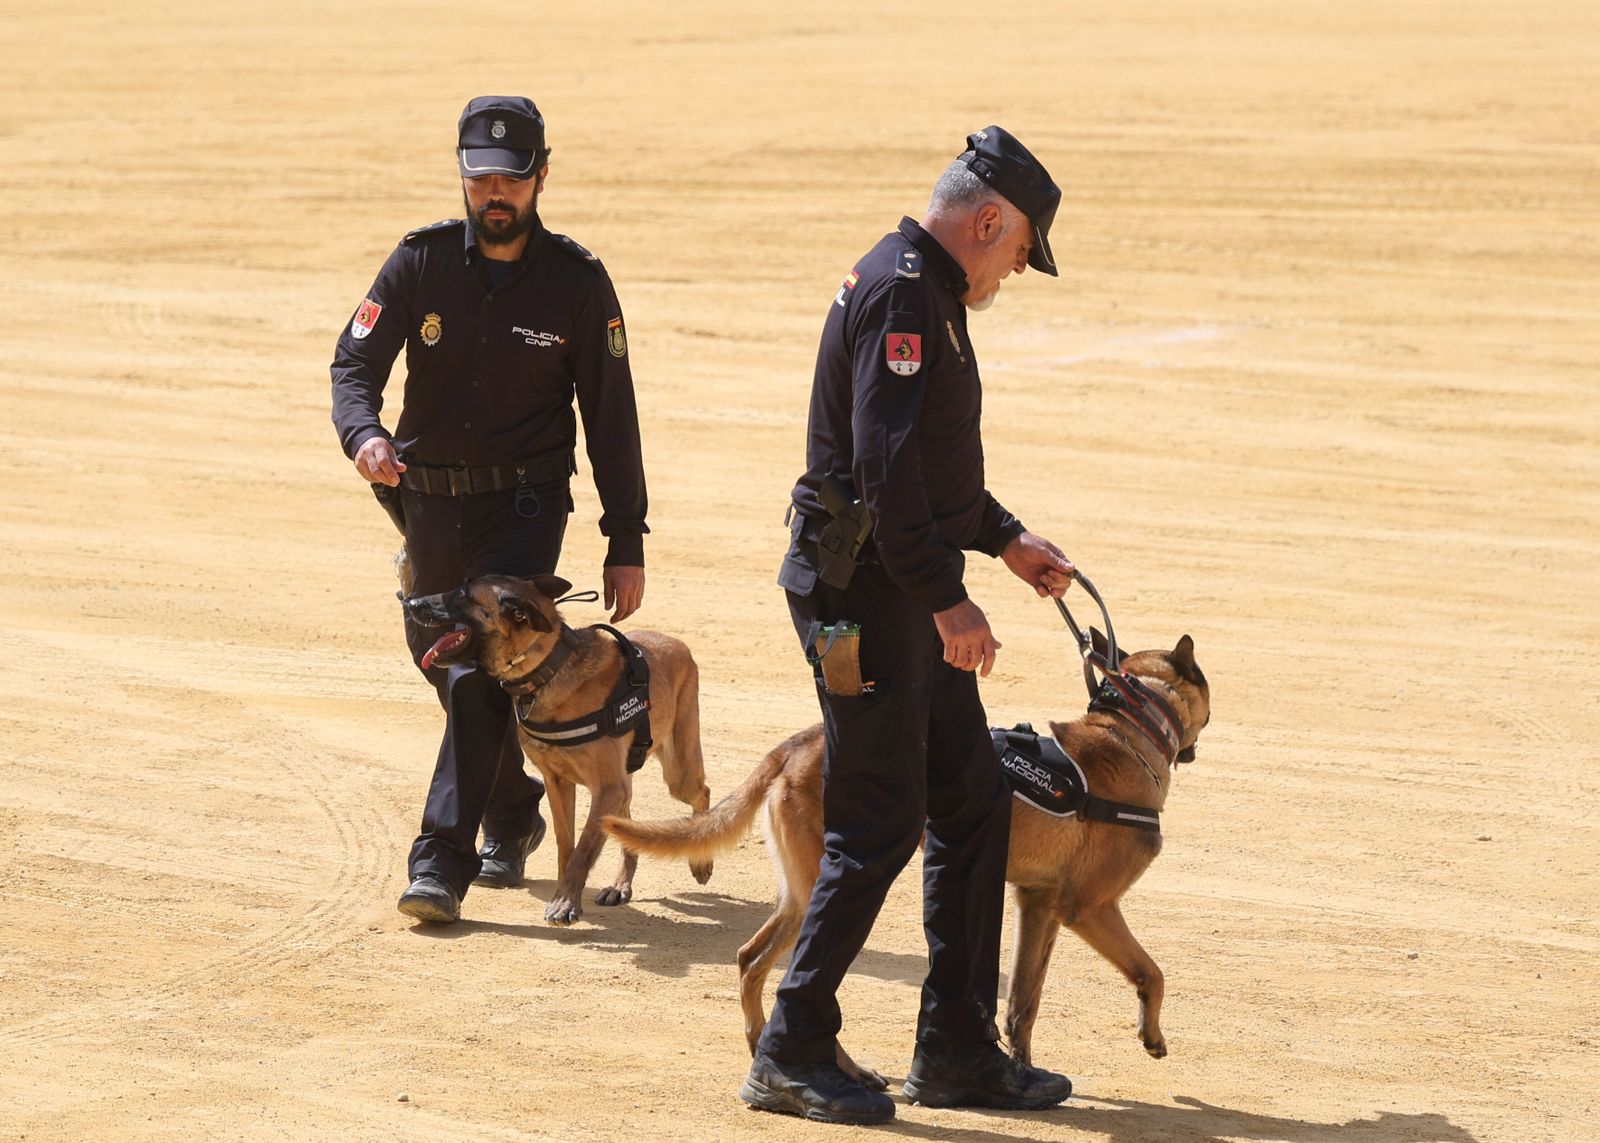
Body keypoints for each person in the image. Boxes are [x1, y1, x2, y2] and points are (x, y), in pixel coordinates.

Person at [738, 127, 1077, 1124]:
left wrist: (1004, 539)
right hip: (862, 601)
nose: (1015, 269)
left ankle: (956, 1047)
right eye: (1018, 250)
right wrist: (947, 599)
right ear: (986, 222)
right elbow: (884, 480)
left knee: (969, 800)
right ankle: (791, 1048)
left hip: (899, 588)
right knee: (878, 820)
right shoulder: (900, 295)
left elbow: (930, 474)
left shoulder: (925, 292)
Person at [330, 96, 648, 925]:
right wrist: (362, 432)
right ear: (463, 177)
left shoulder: (578, 283)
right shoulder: (419, 263)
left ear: (543, 175)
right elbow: (353, 362)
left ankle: (440, 860)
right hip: (427, 502)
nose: (495, 192)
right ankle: (511, 811)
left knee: (476, 669)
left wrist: (625, 537)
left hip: (524, 508)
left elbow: (612, 418)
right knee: (443, 659)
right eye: (481, 178)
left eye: (512, 177)